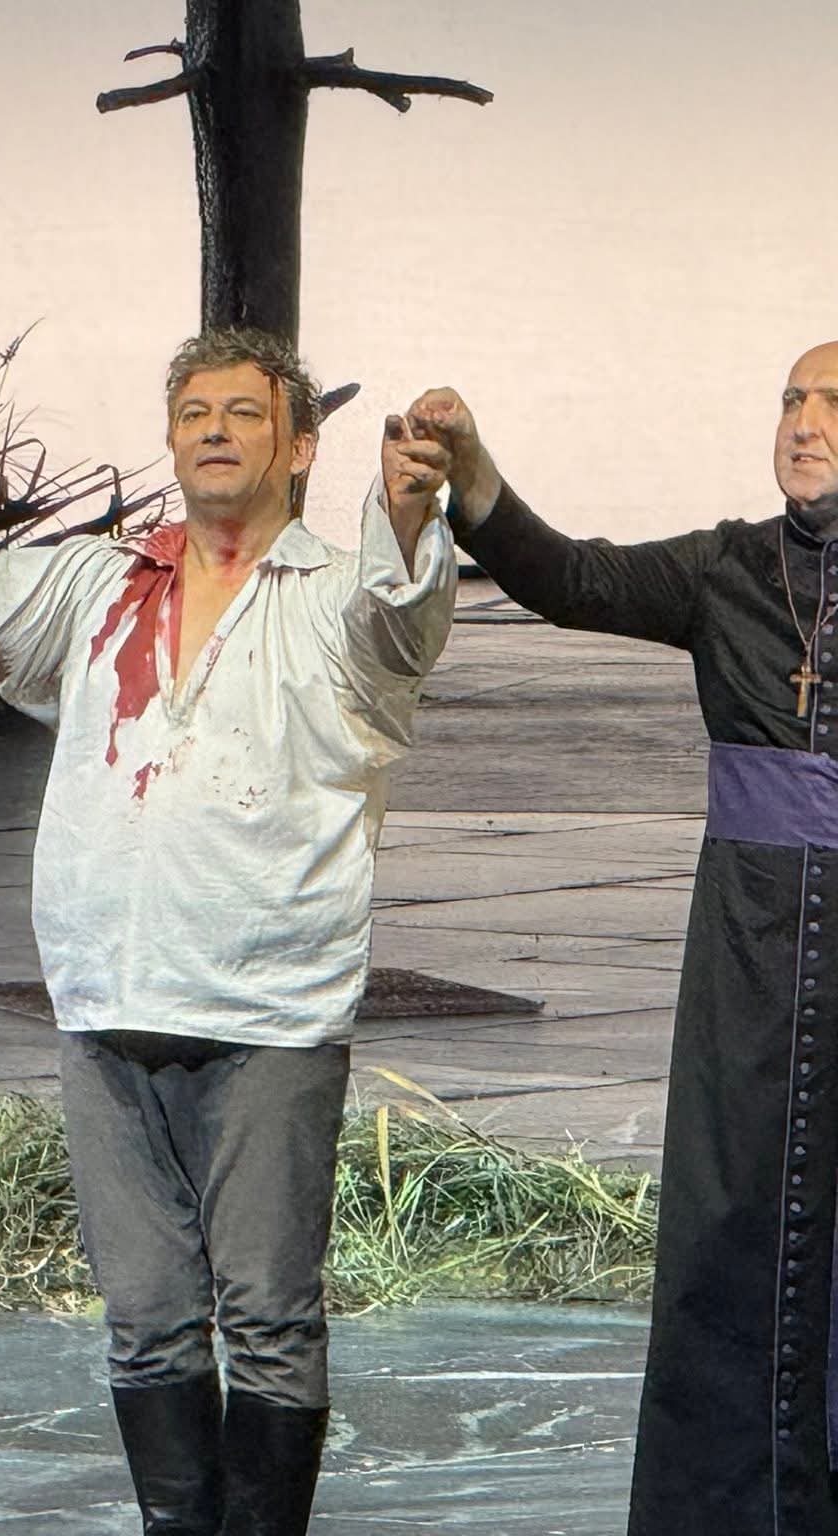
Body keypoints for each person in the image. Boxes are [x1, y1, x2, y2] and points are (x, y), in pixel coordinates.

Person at [0, 326, 457, 1536]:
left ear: (298, 448)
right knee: (145, 1322)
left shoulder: (331, 595)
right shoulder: (99, 583)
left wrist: (409, 514)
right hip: (108, 1001)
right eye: (193, 413)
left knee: (267, 1319)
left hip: (266, 1012)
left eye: (244, 412)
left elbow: (399, 621)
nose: (213, 430)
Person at [416, 343, 838, 1536]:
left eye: (829, 404)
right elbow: (572, 579)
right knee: (727, 1220)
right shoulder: (727, 568)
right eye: (788, 401)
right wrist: (473, 475)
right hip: (749, 942)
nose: (801, 423)